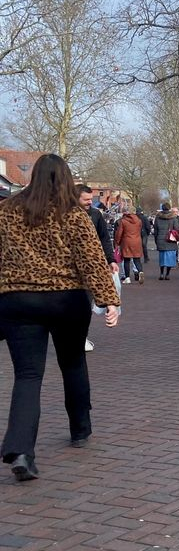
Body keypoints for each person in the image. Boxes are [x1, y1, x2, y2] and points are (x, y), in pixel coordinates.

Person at [0, 154, 120, 481]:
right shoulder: (73, 214)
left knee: (27, 375)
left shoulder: (6, 211)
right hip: (66, 299)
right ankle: (80, 429)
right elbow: (91, 261)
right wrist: (108, 300)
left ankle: (21, 449)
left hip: (17, 299)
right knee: (73, 362)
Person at [76, 185, 118, 353]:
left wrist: (111, 259)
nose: (89, 202)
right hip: (69, 272)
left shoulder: (95, 215)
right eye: (85, 199)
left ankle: (82, 337)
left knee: (86, 306)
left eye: (90, 199)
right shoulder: (62, 216)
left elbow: (104, 238)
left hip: (90, 271)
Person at [153, 203, 179, 280]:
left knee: (162, 258)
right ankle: (167, 274)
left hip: (161, 239)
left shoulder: (158, 217)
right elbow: (176, 229)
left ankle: (161, 273)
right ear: (169, 208)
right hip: (170, 240)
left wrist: (156, 240)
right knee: (170, 258)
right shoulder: (173, 218)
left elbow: (155, 230)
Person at [114, 209, 145, 285]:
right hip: (137, 241)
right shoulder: (139, 221)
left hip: (126, 242)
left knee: (126, 260)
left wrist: (117, 242)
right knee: (137, 259)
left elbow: (119, 233)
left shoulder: (123, 221)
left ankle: (127, 278)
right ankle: (140, 271)